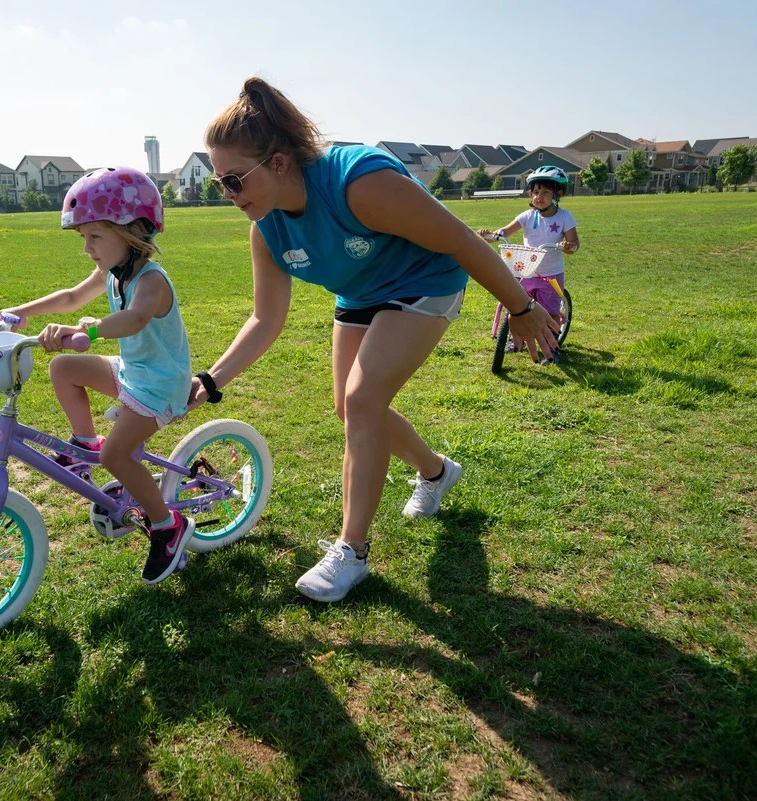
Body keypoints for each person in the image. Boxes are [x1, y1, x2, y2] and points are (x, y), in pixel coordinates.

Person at [192, 76, 559, 603]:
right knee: (350, 408)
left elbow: (458, 239)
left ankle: (352, 552)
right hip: (361, 293)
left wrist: (521, 309)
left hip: (425, 281)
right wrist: (212, 377)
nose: (226, 194)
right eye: (219, 183)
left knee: (363, 401)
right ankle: (435, 472)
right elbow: (265, 320)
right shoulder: (266, 228)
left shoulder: (357, 182)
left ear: (277, 162)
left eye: (232, 181)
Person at [0, 167, 194, 585]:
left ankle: (166, 526)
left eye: (95, 237)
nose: (87, 248)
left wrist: (87, 331)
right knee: (63, 367)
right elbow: (72, 297)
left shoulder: (151, 281)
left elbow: (135, 319)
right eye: (82, 237)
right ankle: (84, 441)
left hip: (160, 385)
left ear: (130, 231)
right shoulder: (112, 271)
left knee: (116, 456)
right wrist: (22, 312)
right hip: (133, 373)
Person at [478, 165, 580, 355]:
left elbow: (574, 242)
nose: (538, 197)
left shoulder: (565, 217)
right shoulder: (527, 216)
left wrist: (569, 246)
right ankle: (515, 340)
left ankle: (552, 347)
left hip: (550, 275)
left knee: (550, 313)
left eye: (545, 192)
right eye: (535, 192)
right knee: (518, 308)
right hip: (525, 270)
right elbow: (505, 231)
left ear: (558, 194)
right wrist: (493, 235)